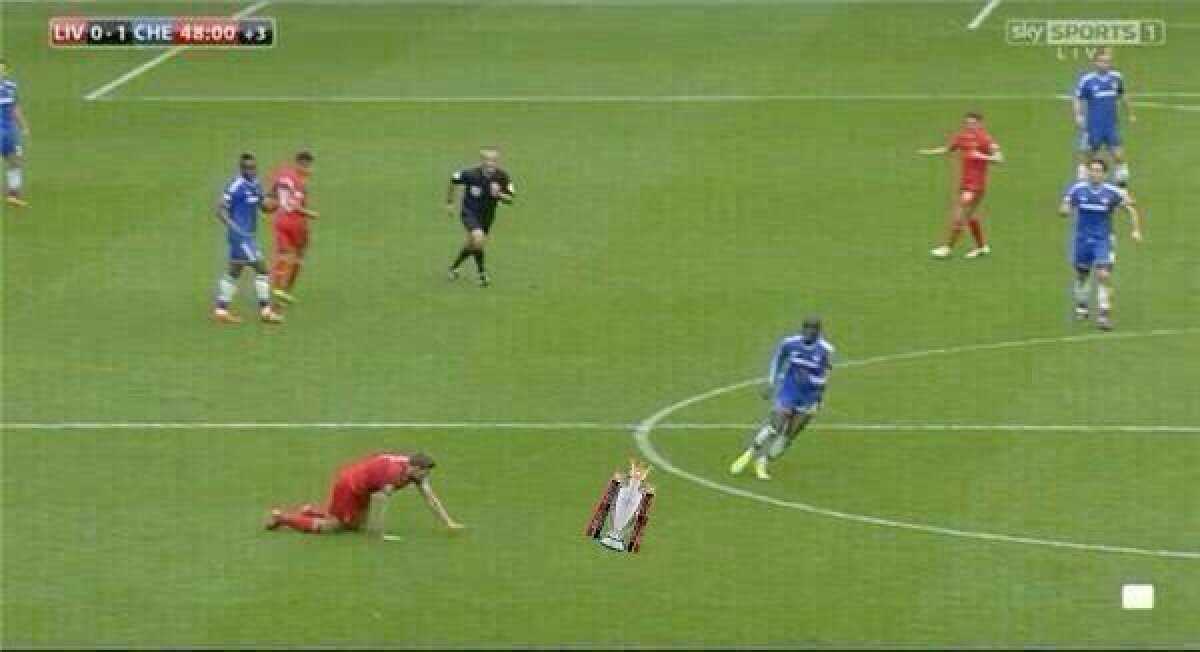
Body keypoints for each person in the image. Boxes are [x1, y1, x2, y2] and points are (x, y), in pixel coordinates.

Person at [730, 317, 834, 480]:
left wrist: (814, 387)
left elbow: (825, 376)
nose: (808, 332)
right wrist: (771, 383)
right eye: (805, 328)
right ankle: (749, 453)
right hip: (789, 391)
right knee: (775, 426)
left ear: (818, 332)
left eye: (812, 329)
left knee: (788, 436)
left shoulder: (826, 350)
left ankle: (763, 462)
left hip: (810, 397)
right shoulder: (790, 343)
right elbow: (777, 360)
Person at [266, 452, 465, 534]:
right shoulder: (393, 475)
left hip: (363, 489)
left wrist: (449, 522)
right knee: (333, 527)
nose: (426, 476)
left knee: (355, 526)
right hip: (350, 488)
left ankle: (310, 512)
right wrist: (380, 532)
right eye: (424, 472)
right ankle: (283, 518)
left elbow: (431, 498)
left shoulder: (413, 471)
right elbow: (381, 501)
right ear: (414, 468)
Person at [1059, 159, 1143, 331]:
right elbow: (1064, 206)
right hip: (1082, 240)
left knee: (1103, 275)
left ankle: (1104, 315)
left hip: (1103, 240)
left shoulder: (1112, 192)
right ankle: (1082, 305)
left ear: (1104, 174)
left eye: (1098, 171)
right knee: (1082, 275)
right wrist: (1064, 209)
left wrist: (1136, 230)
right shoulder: (1078, 189)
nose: (1094, 173)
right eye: (1092, 170)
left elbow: (1131, 210)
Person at [919, 111, 1004, 260]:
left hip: (976, 186)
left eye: (973, 123)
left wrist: (981, 156)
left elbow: (999, 159)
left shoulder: (986, 140)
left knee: (959, 214)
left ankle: (947, 248)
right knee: (970, 216)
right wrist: (929, 152)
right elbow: (948, 149)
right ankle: (981, 247)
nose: (970, 126)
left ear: (980, 124)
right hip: (965, 184)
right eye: (967, 123)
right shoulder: (963, 137)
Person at [212, 153, 284, 324]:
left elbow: (263, 207)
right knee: (262, 269)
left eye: (253, 167)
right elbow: (220, 210)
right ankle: (266, 311)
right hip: (241, 237)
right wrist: (233, 227)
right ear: (241, 169)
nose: (252, 170)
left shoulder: (255, 184)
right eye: (248, 168)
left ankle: (221, 310)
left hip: (248, 236)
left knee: (234, 271)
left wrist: (274, 204)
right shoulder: (235, 186)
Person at [445, 147, 515, 287]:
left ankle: (454, 268)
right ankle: (482, 274)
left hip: (487, 216)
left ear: (497, 162)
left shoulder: (503, 177)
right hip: (469, 212)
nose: (490, 163)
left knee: (473, 244)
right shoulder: (470, 174)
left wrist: (499, 194)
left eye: (493, 161)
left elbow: (511, 199)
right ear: (481, 161)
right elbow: (454, 179)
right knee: (478, 238)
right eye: (487, 160)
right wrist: (449, 202)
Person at [1073, 49, 1135, 186]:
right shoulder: (1087, 80)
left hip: (1111, 126)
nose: (1104, 64)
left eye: (1107, 61)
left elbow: (1123, 95)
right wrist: (1078, 115)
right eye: (1101, 61)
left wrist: (1130, 113)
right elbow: (1077, 98)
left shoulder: (1116, 77)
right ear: (1095, 62)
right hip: (1093, 126)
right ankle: (1082, 182)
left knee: (1119, 155)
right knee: (1088, 155)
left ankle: (1121, 184)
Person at [269, 150, 318, 306]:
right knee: (300, 254)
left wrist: (270, 205)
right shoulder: (299, 183)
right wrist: (310, 213)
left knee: (283, 254)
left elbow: (271, 195)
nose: (310, 170)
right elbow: (294, 205)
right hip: (296, 223)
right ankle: (286, 290)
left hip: (280, 221)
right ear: (303, 165)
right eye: (308, 167)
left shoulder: (282, 174)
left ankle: (278, 288)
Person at [0, 57, 30, 207]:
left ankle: (13, 194)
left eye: (2, 70)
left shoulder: (11, 87)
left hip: (9, 131)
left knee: (14, 160)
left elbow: (15, 108)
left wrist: (23, 125)